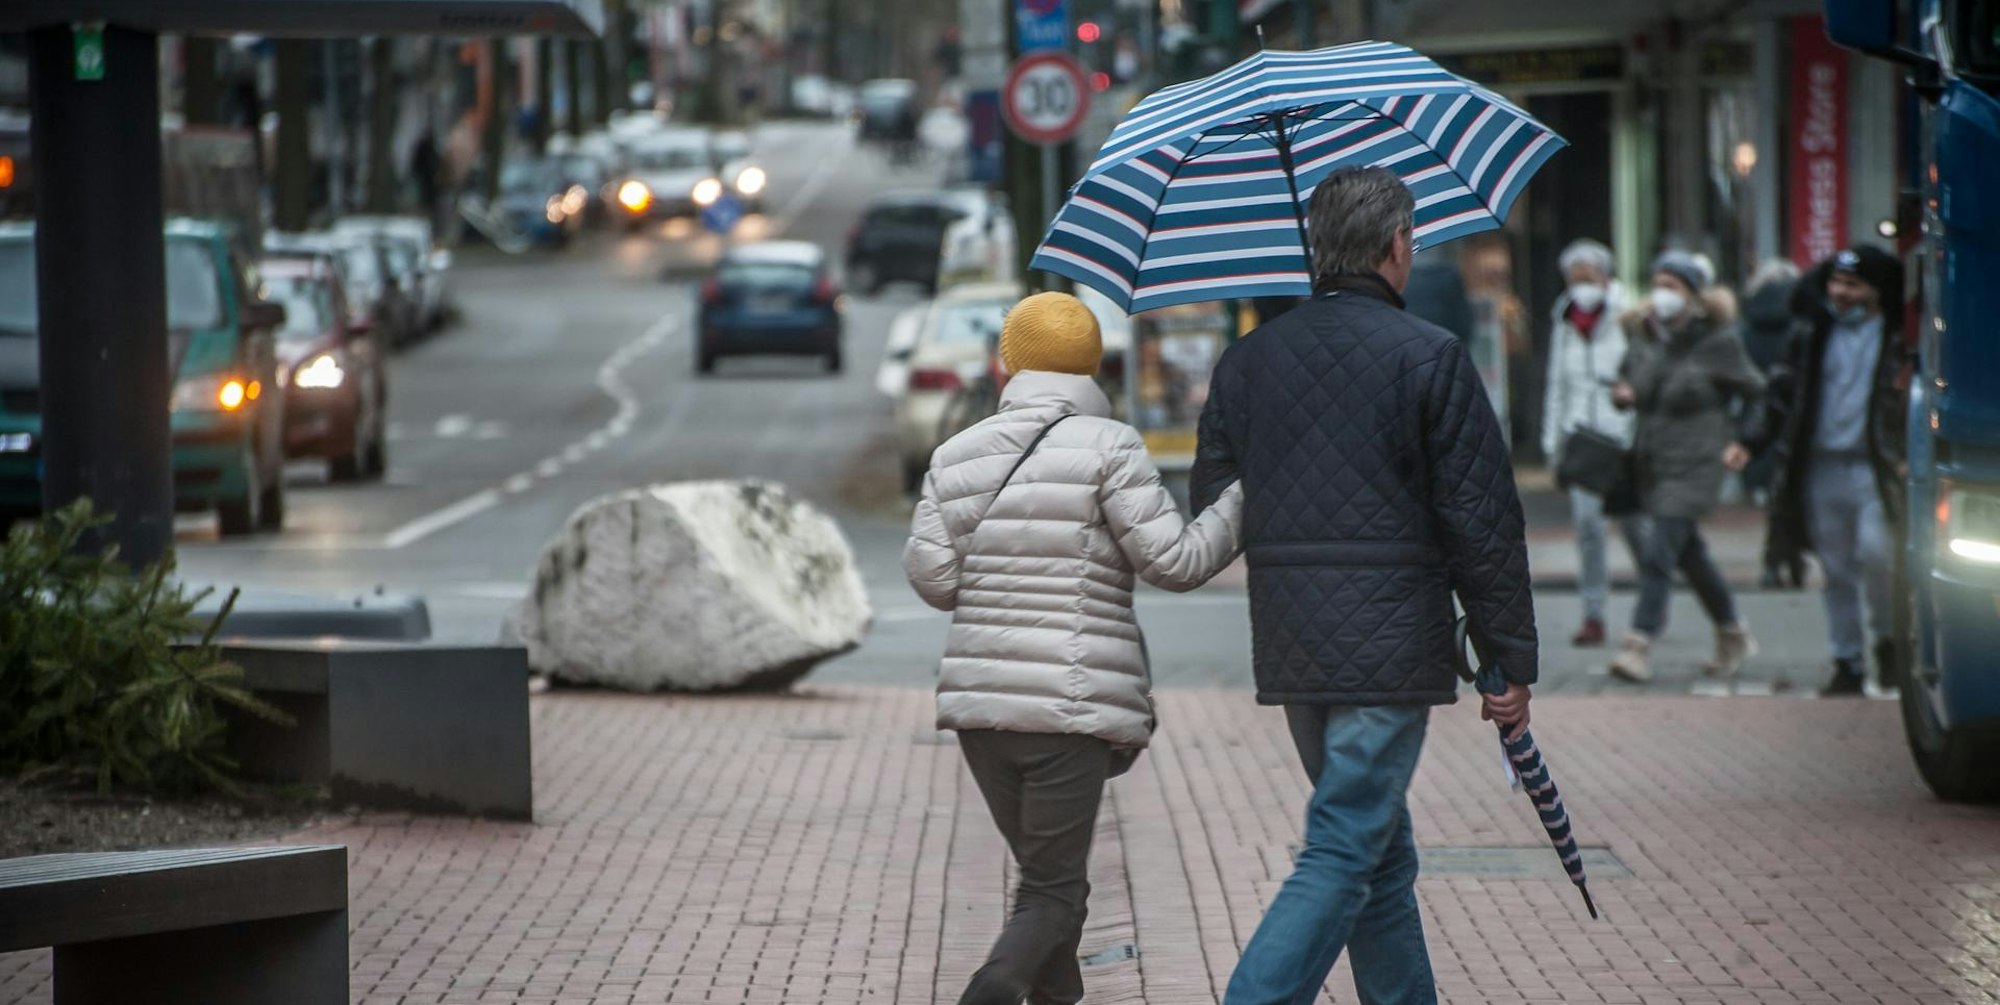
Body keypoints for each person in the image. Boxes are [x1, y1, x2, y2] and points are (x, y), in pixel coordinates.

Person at [1189, 166, 1538, 1005]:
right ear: (1396, 245)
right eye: (1412, 239)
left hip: (1293, 638)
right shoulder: (1432, 356)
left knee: (1378, 849)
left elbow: (1214, 501)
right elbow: (1481, 521)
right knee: (1347, 843)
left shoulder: (1248, 360)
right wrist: (1508, 659)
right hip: (1388, 641)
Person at [903, 291, 1245, 1005]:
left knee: (1048, 881)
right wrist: (1244, 501)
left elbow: (934, 580)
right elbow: (1175, 562)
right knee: (1052, 892)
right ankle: (987, 993)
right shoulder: (1109, 445)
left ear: (1010, 364)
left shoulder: (956, 455)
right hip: (1070, 707)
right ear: (1093, 364)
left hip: (980, 714)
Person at [1607, 252, 1766, 683]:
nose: (1662, 295)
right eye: (1658, 284)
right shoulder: (1645, 338)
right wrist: (1623, 394)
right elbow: (1631, 386)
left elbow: (1758, 392)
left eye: (1673, 287)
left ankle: (1638, 644)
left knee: (1659, 551)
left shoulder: (1717, 342)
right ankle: (1732, 631)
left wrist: (1745, 441)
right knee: (1689, 553)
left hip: (1699, 459)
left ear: (1695, 296)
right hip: (1653, 458)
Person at [1759, 246, 1909, 695]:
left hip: (1873, 468)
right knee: (1837, 569)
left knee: (1878, 554)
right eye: (1836, 283)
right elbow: (1782, 392)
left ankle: (1886, 640)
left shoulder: (1900, 339)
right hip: (1820, 467)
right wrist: (1750, 442)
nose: (1840, 294)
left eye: (1853, 285)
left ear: (1877, 292)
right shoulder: (1811, 333)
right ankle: (1848, 660)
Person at [1540, 238, 1644, 647]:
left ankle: (1654, 593)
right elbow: (1556, 386)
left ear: (1605, 277)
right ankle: (1594, 615)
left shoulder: (1628, 318)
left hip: (1622, 438)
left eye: (1588, 277)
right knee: (1588, 529)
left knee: (1637, 527)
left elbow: (1643, 373)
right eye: (1574, 278)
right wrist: (1554, 443)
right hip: (1582, 439)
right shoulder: (1563, 321)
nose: (1581, 286)